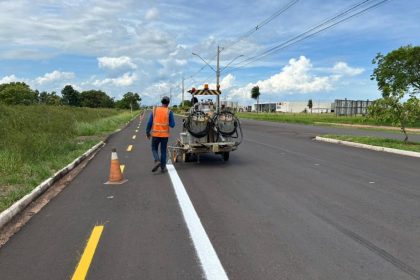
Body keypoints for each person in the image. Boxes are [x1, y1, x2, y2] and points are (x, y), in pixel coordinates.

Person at [146, 96, 175, 173]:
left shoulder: (155, 110)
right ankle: (162, 167)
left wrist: (147, 132)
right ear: (168, 103)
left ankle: (157, 160)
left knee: (154, 148)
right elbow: (172, 125)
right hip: (164, 136)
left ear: (161, 102)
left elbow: (149, 123)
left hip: (155, 134)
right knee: (163, 151)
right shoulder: (169, 112)